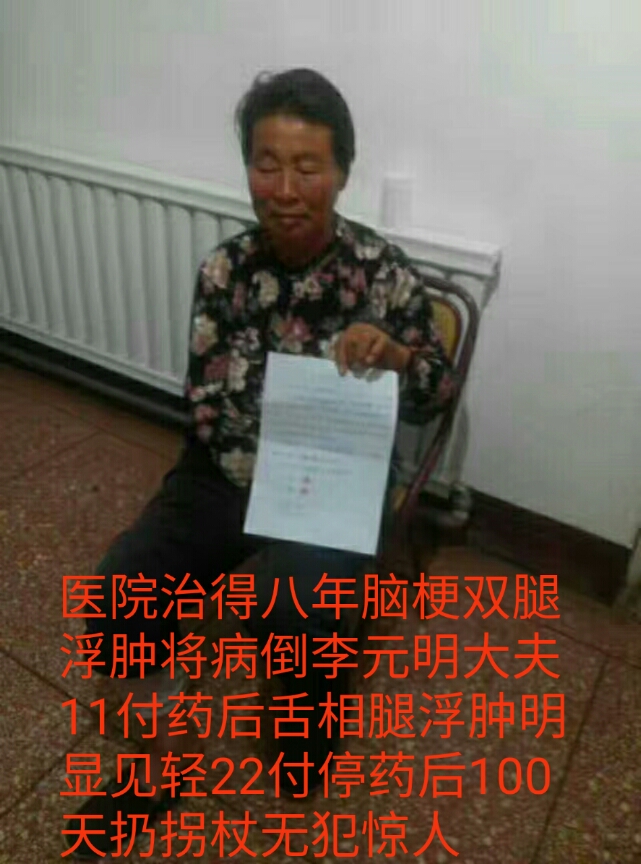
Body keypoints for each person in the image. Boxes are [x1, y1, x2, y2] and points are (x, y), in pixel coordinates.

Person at [66, 68, 456, 859]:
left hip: (334, 481)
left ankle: (306, 724)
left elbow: (432, 395)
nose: (283, 190)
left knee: (302, 605)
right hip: (227, 471)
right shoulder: (226, 269)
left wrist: (395, 354)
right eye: (265, 164)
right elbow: (203, 399)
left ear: (341, 171)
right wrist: (257, 477)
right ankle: (160, 753)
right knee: (120, 589)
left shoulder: (381, 272)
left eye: (307, 167)